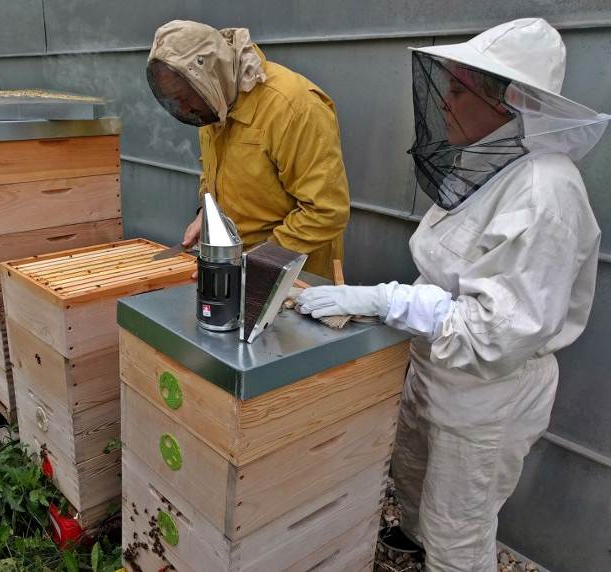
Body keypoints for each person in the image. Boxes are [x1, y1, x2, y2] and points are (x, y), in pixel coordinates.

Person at [295, 18, 608, 571]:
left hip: (489, 394)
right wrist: (388, 309)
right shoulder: (488, 164)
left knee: (457, 531)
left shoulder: (545, 194)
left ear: (509, 101)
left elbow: (495, 333)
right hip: (436, 369)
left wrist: (384, 301)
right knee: (413, 479)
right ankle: (413, 544)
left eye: (459, 90)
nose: (443, 103)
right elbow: (450, 277)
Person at [146, 20, 350, 279]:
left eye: (186, 98)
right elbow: (213, 173)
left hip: (296, 280)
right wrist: (206, 214)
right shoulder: (214, 105)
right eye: (176, 102)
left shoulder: (294, 107)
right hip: (235, 269)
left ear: (210, 74)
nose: (184, 110)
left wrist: (255, 262)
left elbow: (326, 211)